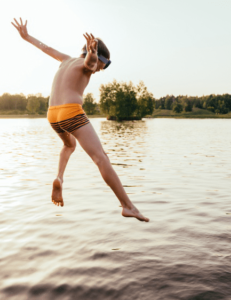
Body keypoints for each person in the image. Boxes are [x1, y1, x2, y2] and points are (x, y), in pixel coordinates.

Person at [11, 18, 149, 222]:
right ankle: (128, 206)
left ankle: (59, 177)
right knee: (101, 158)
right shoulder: (90, 64)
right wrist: (92, 56)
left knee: (69, 145)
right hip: (70, 112)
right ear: (99, 57)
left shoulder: (66, 60)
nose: (102, 68)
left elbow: (46, 48)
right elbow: (90, 63)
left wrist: (26, 36)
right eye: (105, 64)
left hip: (52, 115)